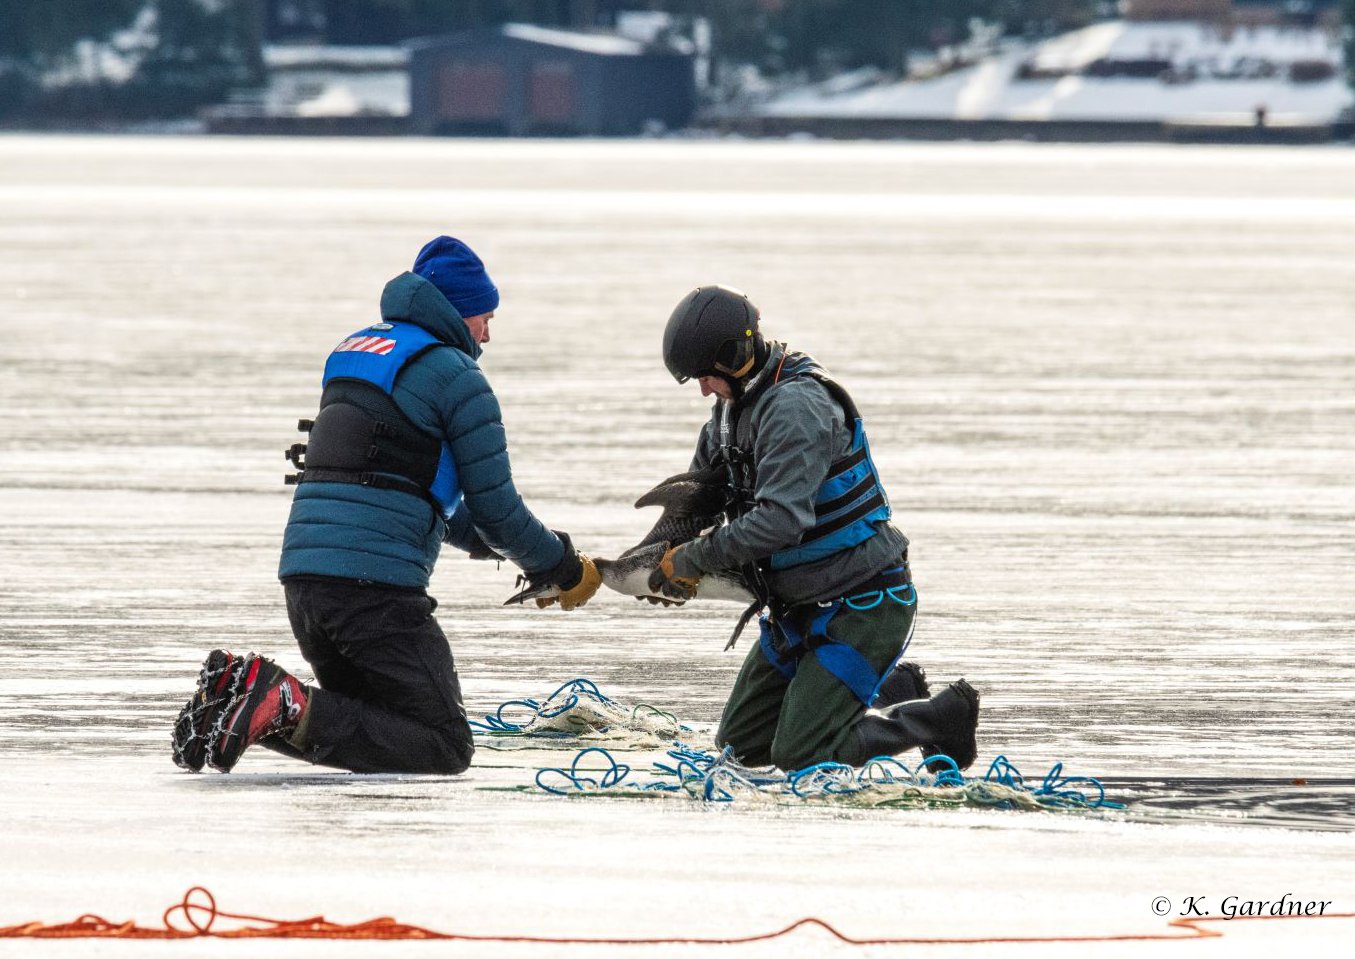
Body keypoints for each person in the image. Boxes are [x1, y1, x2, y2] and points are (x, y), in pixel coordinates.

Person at [171, 236, 601, 775]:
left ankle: (233, 698)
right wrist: (558, 564)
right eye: (483, 317)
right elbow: (496, 511)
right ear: (456, 311)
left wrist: (499, 550)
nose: (488, 334)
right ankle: (274, 697)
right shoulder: (458, 378)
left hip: (307, 586)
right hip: (374, 595)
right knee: (441, 745)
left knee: (373, 724)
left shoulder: (355, 353)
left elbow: (405, 486)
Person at [648, 285, 980, 773]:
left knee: (803, 755)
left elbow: (781, 522)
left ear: (735, 357)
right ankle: (895, 690)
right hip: (795, 609)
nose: (702, 390)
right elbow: (695, 506)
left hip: (864, 604)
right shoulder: (728, 412)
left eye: (704, 376)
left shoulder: (795, 408)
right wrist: (648, 564)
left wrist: (693, 561)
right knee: (741, 752)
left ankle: (941, 717)